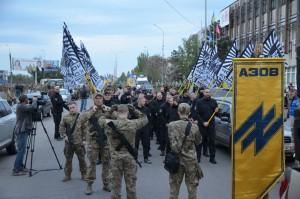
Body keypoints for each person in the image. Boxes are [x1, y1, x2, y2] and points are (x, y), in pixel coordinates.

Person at [99, 104, 148, 199]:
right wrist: (134, 109)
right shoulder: (133, 123)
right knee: (131, 186)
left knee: (115, 187)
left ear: (117, 113)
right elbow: (145, 118)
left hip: (115, 159)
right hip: (130, 158)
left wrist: (110, 110)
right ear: (127, 112)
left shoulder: (109, 123)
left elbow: (100, 119)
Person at [167, 103, 203, 199]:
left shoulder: (171, 125)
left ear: (178, 112)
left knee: (174, 188)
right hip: (190, 161)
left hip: (176, 160)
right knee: (192, 188)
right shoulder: (194, 127)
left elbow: (170, 140)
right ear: (189, 113)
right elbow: (199, 141)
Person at [78, 94, 112, 195]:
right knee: (92, 164)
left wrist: (108, 111)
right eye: (96, 98)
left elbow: (117, 117)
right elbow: (81, 119)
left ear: (103, 99)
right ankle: (89, 185)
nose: (98, 100)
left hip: (106, 141)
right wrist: (93, 110)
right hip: (93, 142)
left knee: (107, 163)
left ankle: (106, 184)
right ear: (94, 100)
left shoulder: (108, 109)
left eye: (100, 98)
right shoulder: (90, 110)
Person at [59, 101, 87, 182]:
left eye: (73, 107)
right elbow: (61, 127)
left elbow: (85, 129)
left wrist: (85, 140)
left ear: (77, 107)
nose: (71, 109)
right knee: (68, 160)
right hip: (69, 143)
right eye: (70, 108)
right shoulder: (65, 117)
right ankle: (67, 175)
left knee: (82, 160)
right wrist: (64, 136)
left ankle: (84, 174)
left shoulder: (81, 117)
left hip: (79, 143)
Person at [12, 95, 37, 176]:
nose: (28, 100)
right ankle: (16, 170)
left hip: (23, 130)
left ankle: (20, 167)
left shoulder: (22, 106)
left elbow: (31, 108)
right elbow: (32, 107)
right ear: (24, 100)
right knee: (21, 150)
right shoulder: (21, 107)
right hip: (21, 130)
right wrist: (34, 100)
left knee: (22, 150)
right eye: (27, 99)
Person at [196, 89, 218, 164]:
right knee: (200, 142)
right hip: (202, 125)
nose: (208, 93)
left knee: (212, 141)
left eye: (209, 92)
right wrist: (203, 122)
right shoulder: (199, 102)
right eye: (206, 92)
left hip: (211, 125)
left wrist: (217, 111)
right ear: (203, 93)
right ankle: (198, 158)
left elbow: (217, 114)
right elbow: (197, 114)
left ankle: (212, 158)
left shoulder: (214, 102)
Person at [134, 94, 152, 164]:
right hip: (136, 129)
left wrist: (149, 130)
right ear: (139, 100)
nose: (145, 102)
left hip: (145, 129)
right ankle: (135, 158)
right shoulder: (134, 109)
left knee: (146, 143)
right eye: (143, 101)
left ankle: (146, 158)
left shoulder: (147, 109)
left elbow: (150, 120)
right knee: (135, 144)